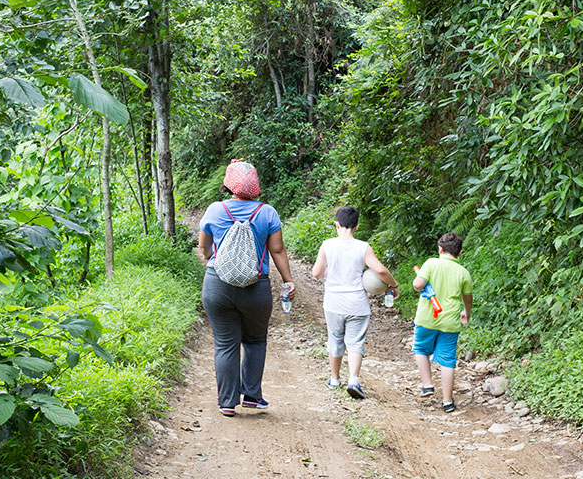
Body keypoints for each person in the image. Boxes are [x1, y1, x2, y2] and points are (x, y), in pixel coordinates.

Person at [198, 159, 296, 417]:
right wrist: (288, 281)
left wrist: (215, 259)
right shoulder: (267, 213)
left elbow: (204, 248)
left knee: (225, 344)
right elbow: (277, 250)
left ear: (229, 185)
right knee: (254, 340)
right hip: (256, 287)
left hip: (217, 285)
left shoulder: (215, 210)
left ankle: (227, 403)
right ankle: (252, 396)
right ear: (256, 187)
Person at [311, 205, 396, 399]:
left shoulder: (327, 245)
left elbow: (316, 273)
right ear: (357, 226)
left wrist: (327, 274)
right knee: (356, 342)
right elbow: (381, 271)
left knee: (335, 339)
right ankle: (353, 380)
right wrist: (393, 284)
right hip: (357, 303)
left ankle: (334, 379)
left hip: (333, 302)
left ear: (337, 225)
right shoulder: (363, 247)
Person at [412, 231, 472, 413]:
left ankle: (428, 385)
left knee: (421, 349)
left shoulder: (431, 263)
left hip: (427, 318)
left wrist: (419, 281)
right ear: (460, 253)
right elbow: (468, 298)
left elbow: (418, 285)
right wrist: (466, 313)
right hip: (450, 322)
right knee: (447, 360)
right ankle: (447, 401)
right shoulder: (463, 272)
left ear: (439, 249)